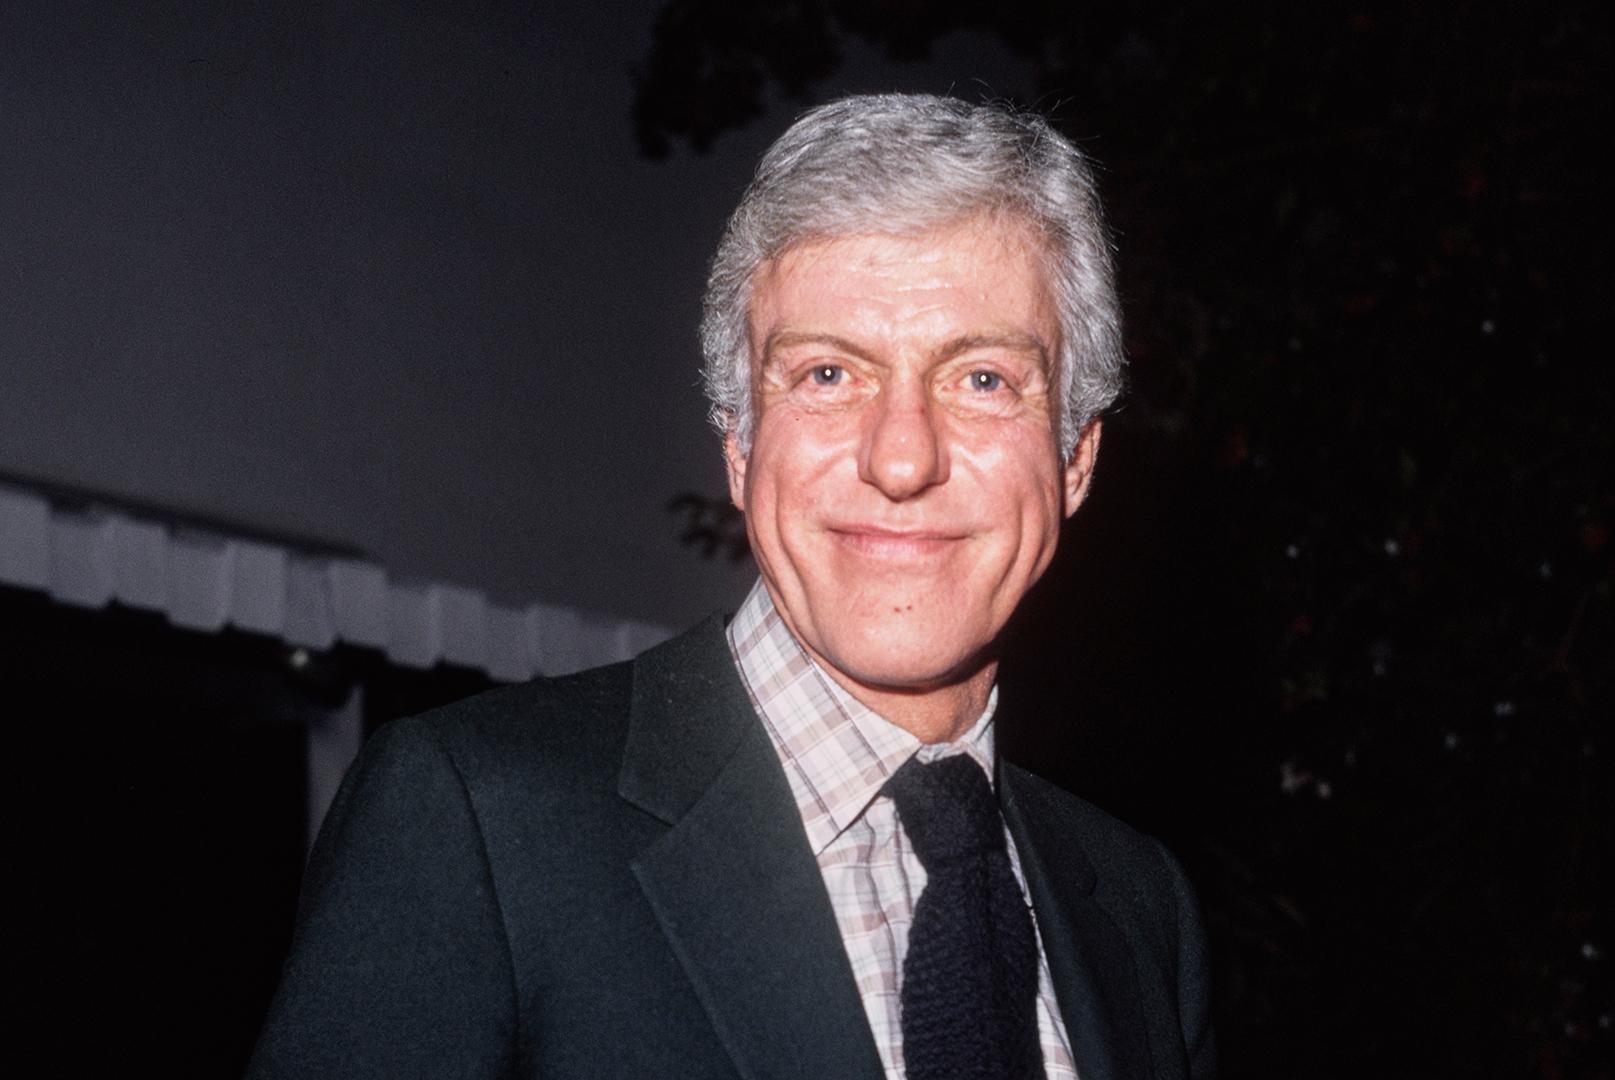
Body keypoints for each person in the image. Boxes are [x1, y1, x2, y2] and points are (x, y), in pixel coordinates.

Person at [248, 93, 1215, 1080]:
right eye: (831, 374)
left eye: (983, 380)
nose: (902, 458)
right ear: (741, 448)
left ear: (1077, 459)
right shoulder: (481, 822)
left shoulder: (1140, 914)